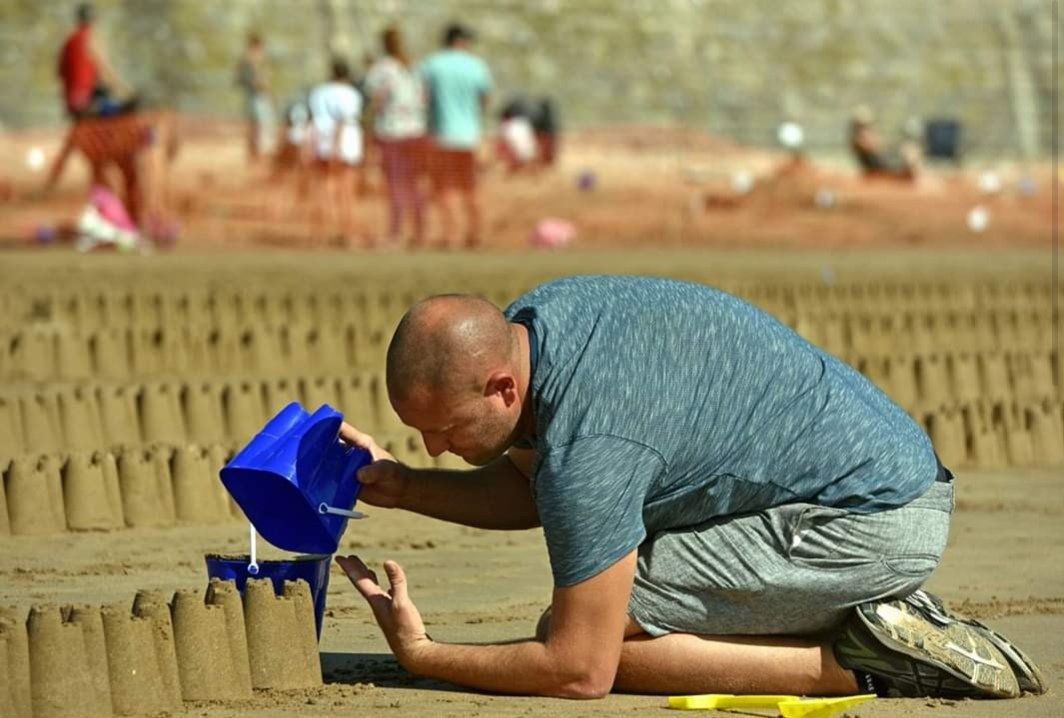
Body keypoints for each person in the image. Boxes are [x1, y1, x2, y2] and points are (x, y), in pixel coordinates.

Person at [336, 275, 1044, 701]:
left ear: (501, 387)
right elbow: (533, 489)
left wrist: (423, 655)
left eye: (446, 431)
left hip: (869, 520)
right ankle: (852, 618)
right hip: (863, 482)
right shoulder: (540, 325)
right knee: (601, 619)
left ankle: (859, 663)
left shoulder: (595, 438)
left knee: (576, 634)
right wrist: (404, 486)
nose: (435, 448)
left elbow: (578, 673)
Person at [419, 23, 493, 249]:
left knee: (444, 187)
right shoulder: (477, 66)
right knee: (470, 187)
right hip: (469, 136)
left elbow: (422, 97)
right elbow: (485, 100)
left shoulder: (431, 64)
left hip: (442, 136)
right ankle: (475, 235)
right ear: (461, 41)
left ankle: (450, 235)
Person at [364, 27, 427, 248]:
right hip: (416, 131)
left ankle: (396, 233)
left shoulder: (381, 69)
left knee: (395, 184)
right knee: (414, 183)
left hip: (392, 133)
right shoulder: (412, 67)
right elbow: (422, 98)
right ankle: (420, 232)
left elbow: (376, 100)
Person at [307, 58, 364, 244]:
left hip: (321, 144)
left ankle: (319, 234)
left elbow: (313, 121)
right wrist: (337, 147)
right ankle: (347, 234)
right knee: (346, 192)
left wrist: (312, 146)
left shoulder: (318, 92)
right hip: (346, 146)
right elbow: (343, 119)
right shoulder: (351, 94)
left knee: (322, 191)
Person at [57, 3, 135, 119]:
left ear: (78, 19)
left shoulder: (68, 42)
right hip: (90, 106)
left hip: (73, 107)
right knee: (131, 106)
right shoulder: (91, 37)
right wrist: (127, 93)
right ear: (94, 20)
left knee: (102, 92)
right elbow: (106, 71)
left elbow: (60, 73)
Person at [849, 105, 920, 181]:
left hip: (884, 163)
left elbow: (881, 145)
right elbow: (872, 148)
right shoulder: (859, 139)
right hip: (878, 168)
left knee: (909, 150)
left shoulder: (867, 136)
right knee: (908, 153)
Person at [236, 31, 275, 162]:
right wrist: (266, 90)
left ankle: (253, 153)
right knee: (261, 125)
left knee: (254, 125)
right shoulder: (253, 58)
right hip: (258, 96)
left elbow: (237, 79)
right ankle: (257, 154)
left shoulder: (245, 59)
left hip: (251, 96)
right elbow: (257, 80)